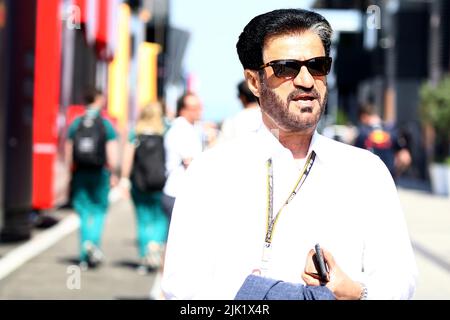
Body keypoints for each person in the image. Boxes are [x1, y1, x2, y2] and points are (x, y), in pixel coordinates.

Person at [161, 9, 418, 300]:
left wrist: (358, 293)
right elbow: (181, 285)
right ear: (254, 82)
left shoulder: (365, 172)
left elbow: (399, 276)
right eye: (287, 67)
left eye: (317, 65)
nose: (306, 81)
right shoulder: (211, 171)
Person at [65, 87, 118, 270]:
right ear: (98, 99)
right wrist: (114, 172)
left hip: (80, 172)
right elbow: (112, 152)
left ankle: (84, 249)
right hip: (99, 173)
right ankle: (92, 243)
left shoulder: (76, 122)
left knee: (83, 211)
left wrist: (69, 172)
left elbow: (68, 151)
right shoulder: (105, 123)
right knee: (99, 210)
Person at [119, 102, 169, 274]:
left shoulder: (136, 132)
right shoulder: (165, 131)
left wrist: (124, 179)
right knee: (160, 218)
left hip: (139, 183)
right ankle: (155, 246)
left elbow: (127, 157)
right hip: (161, 183)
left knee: (143, 219)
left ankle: (144, 255)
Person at [161, 92, 203, 220]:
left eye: (199, 107)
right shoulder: (182, 129)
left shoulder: (187, 127)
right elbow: (189, 162)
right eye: (194, 108)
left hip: (177, 192)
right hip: (178, 192)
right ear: (183, 110)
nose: (199, 111)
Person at [354, 104, 412, 179]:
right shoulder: (392, 131)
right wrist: (396, 172)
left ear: (363, 117)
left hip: (368, 175)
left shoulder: (362, 133)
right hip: (388, 175)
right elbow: (405, 157)